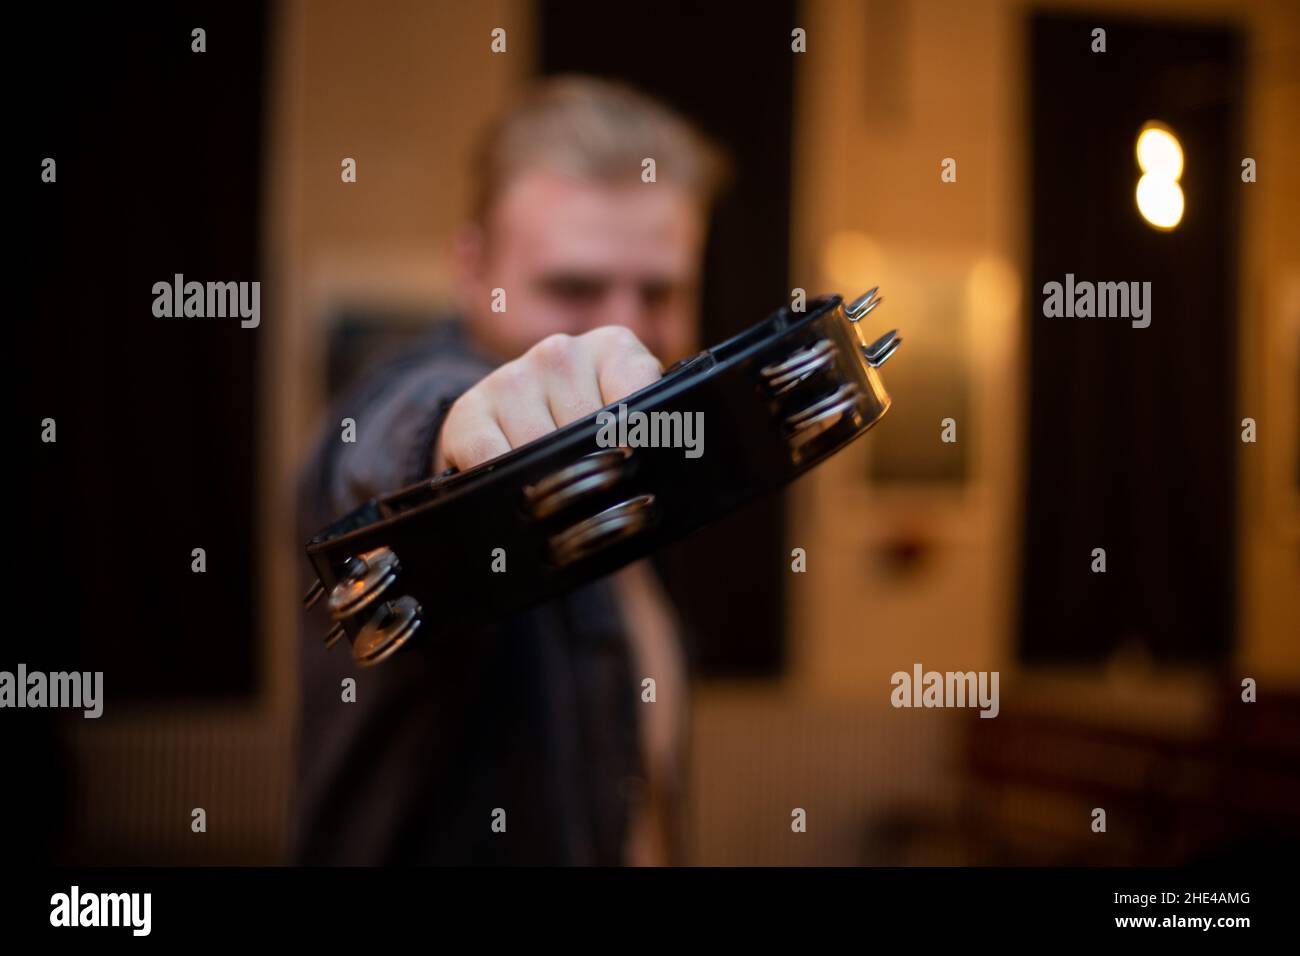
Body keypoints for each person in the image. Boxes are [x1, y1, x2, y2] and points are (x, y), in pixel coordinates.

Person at [292, 75, 728, 865]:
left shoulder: (646, 461)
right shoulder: (402, 399)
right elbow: (378, 462)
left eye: (660, 291)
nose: (623, 333)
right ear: (471, 269)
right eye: (572, 286)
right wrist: (455, 441)